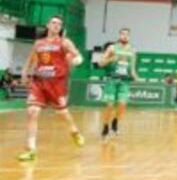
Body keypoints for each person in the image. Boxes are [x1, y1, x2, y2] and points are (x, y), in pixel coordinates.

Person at [18, 15, 86, 161]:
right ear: (48, 25)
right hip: (39, 82)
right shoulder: (38, 43)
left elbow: (78, 56)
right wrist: (24, 72)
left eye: (59, 24)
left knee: (62, 113)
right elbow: (31, 59)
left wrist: (76, 60)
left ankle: (74, 131)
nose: (56, 26)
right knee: (32, 111)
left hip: (56, 83)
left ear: (60, 28)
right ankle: (31, 150)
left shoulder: (64, 42)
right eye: (54, 23)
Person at [96, 28, 140, 141]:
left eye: (127, 35)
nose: (125, 36)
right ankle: (105, 127)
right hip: (112, 80)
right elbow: (100, 63)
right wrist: (111, 58)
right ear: (119, 36)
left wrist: (136, 77)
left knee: (122, 104)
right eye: (123, 34)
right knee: (110, 106)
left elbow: (133, 69)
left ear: (129, 37)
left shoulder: (133, 51)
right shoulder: (112, 48)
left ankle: (115, 122)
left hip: (125, 82)